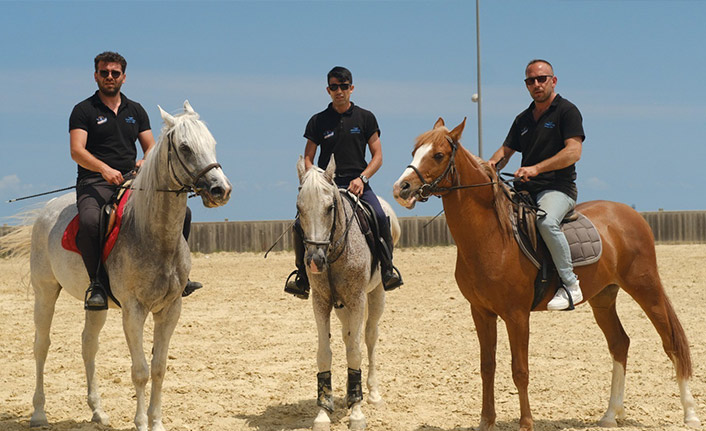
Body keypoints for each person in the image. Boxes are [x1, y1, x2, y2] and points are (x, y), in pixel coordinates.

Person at [70, 51, 202, 311]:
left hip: (132, 181)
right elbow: (77, 150)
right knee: (89, 221)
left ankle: (179, 276)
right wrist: (104, 169)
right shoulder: (83, 110)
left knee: (183, 213)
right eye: (104, 73)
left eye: (115, 73)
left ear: (124, 77)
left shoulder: (136, 110)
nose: (110, 77)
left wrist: (144, 162)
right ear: (96, 76)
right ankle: (96, 283)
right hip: (94, 182)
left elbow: (150, 147)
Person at [284, 66, 403, 299]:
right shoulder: (318, 121)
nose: (340, 91)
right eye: (335, 87)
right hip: (327, 186)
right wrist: (315, 182)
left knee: (380, 216)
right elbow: (308, 157)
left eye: (344, 87)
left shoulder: (365, 117)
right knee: (299, 223)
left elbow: (377, 156)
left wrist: (363, 178)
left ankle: (387, 270)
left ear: (352, 88)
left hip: (358, 183)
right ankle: (302, 276)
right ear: (328, 90)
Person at [488, 59, 585, 311]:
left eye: (542, 79)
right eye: (531, 80)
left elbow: (574, 152)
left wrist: (536, 168)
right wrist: (490, 165)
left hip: (557, 189)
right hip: (524, 189)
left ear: (553, 81)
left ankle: (570, 284)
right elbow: (506, 151)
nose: (537, 84)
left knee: (546, 222)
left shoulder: (567, 111)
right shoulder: (522, 119)